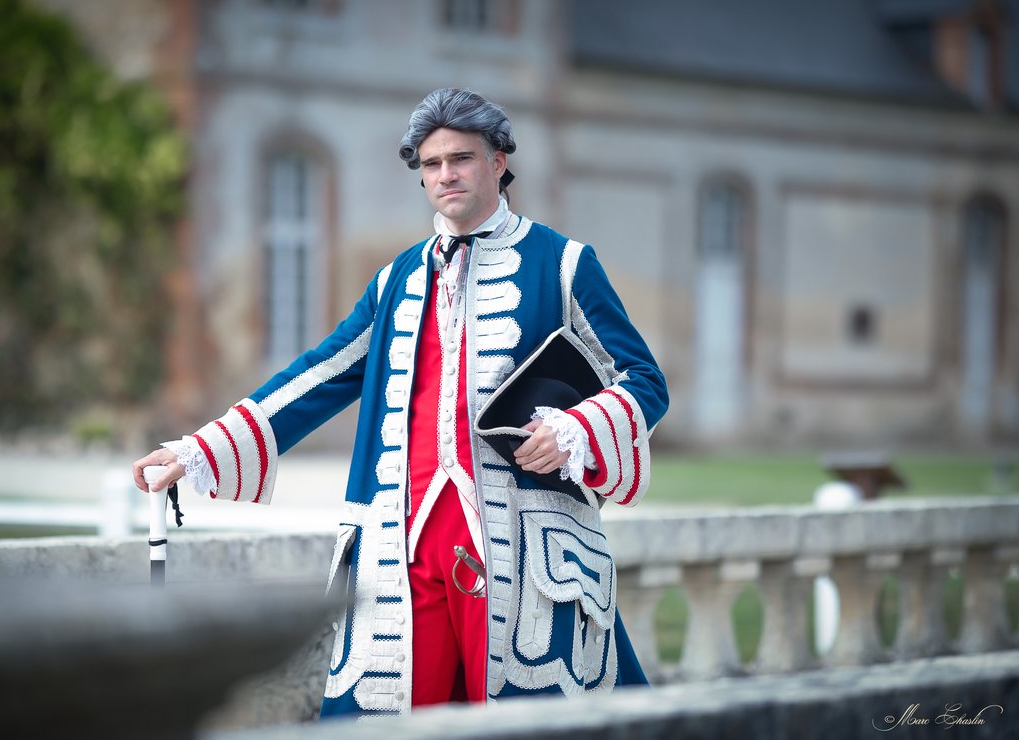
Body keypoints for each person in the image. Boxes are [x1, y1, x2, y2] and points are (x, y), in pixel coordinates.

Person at [132, 87, 669, 717]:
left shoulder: (565, 264)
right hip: (402, 548)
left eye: (462, 159)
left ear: (499, 162)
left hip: (525, 550)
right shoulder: (398, 278)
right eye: (432, 164)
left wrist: (578, 428)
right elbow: (320, 375)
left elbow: (643, 380)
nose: (446, 175)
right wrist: (198, 451)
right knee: (393, 722)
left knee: (533, 721)